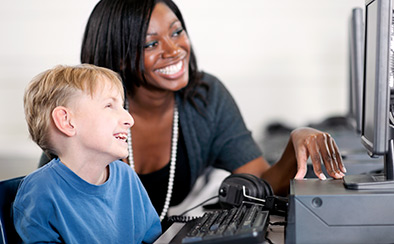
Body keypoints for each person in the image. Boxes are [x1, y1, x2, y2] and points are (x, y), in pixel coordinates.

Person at [40, 0, 346, 222]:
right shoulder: (87, 111)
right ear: (118, 57)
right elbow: (51, 204)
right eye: (150, 44)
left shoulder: (205, 97)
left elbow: (260, 182)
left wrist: (297, 141)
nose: (174, 50)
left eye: (176, 32)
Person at [14, 64, 162, 243]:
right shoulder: (39, 191)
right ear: (67, 121)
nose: (129, 119)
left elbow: (153, 239)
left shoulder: (126, 176)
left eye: (122, 107)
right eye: (109, 105)